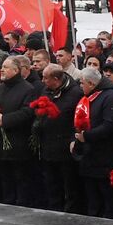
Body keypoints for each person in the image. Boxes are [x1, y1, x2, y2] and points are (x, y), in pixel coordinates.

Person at [71, 65, 113, 218]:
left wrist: (86, 136)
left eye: (82, 83)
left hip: (105, 156)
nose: (80, 86)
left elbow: (110, 125)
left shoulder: (110, 97)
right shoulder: (86, 98)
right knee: (92, 197)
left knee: (107, 197)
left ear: (91, 84)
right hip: (89, 157)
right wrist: (74, 139)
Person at [0, 56, 38, 206]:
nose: (2, 70)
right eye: (2, 66)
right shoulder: (0, 87)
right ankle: (7, 202)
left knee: (20, 178)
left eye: (6, 67)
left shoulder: (28, 89)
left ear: (16, 70)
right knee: (5, 179)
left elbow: (28, 112)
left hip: (17, 143)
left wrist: (6, 120)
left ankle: (21, 205)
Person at [35, 62, 81, 213]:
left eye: (46, 78)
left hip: (65, 148)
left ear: (56, 79)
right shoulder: (47, 91)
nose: (43, 81)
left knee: (68, 185)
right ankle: (54, 210)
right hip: (47, 145)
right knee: (51, 184)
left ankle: (69, 212)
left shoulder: (75, 93)